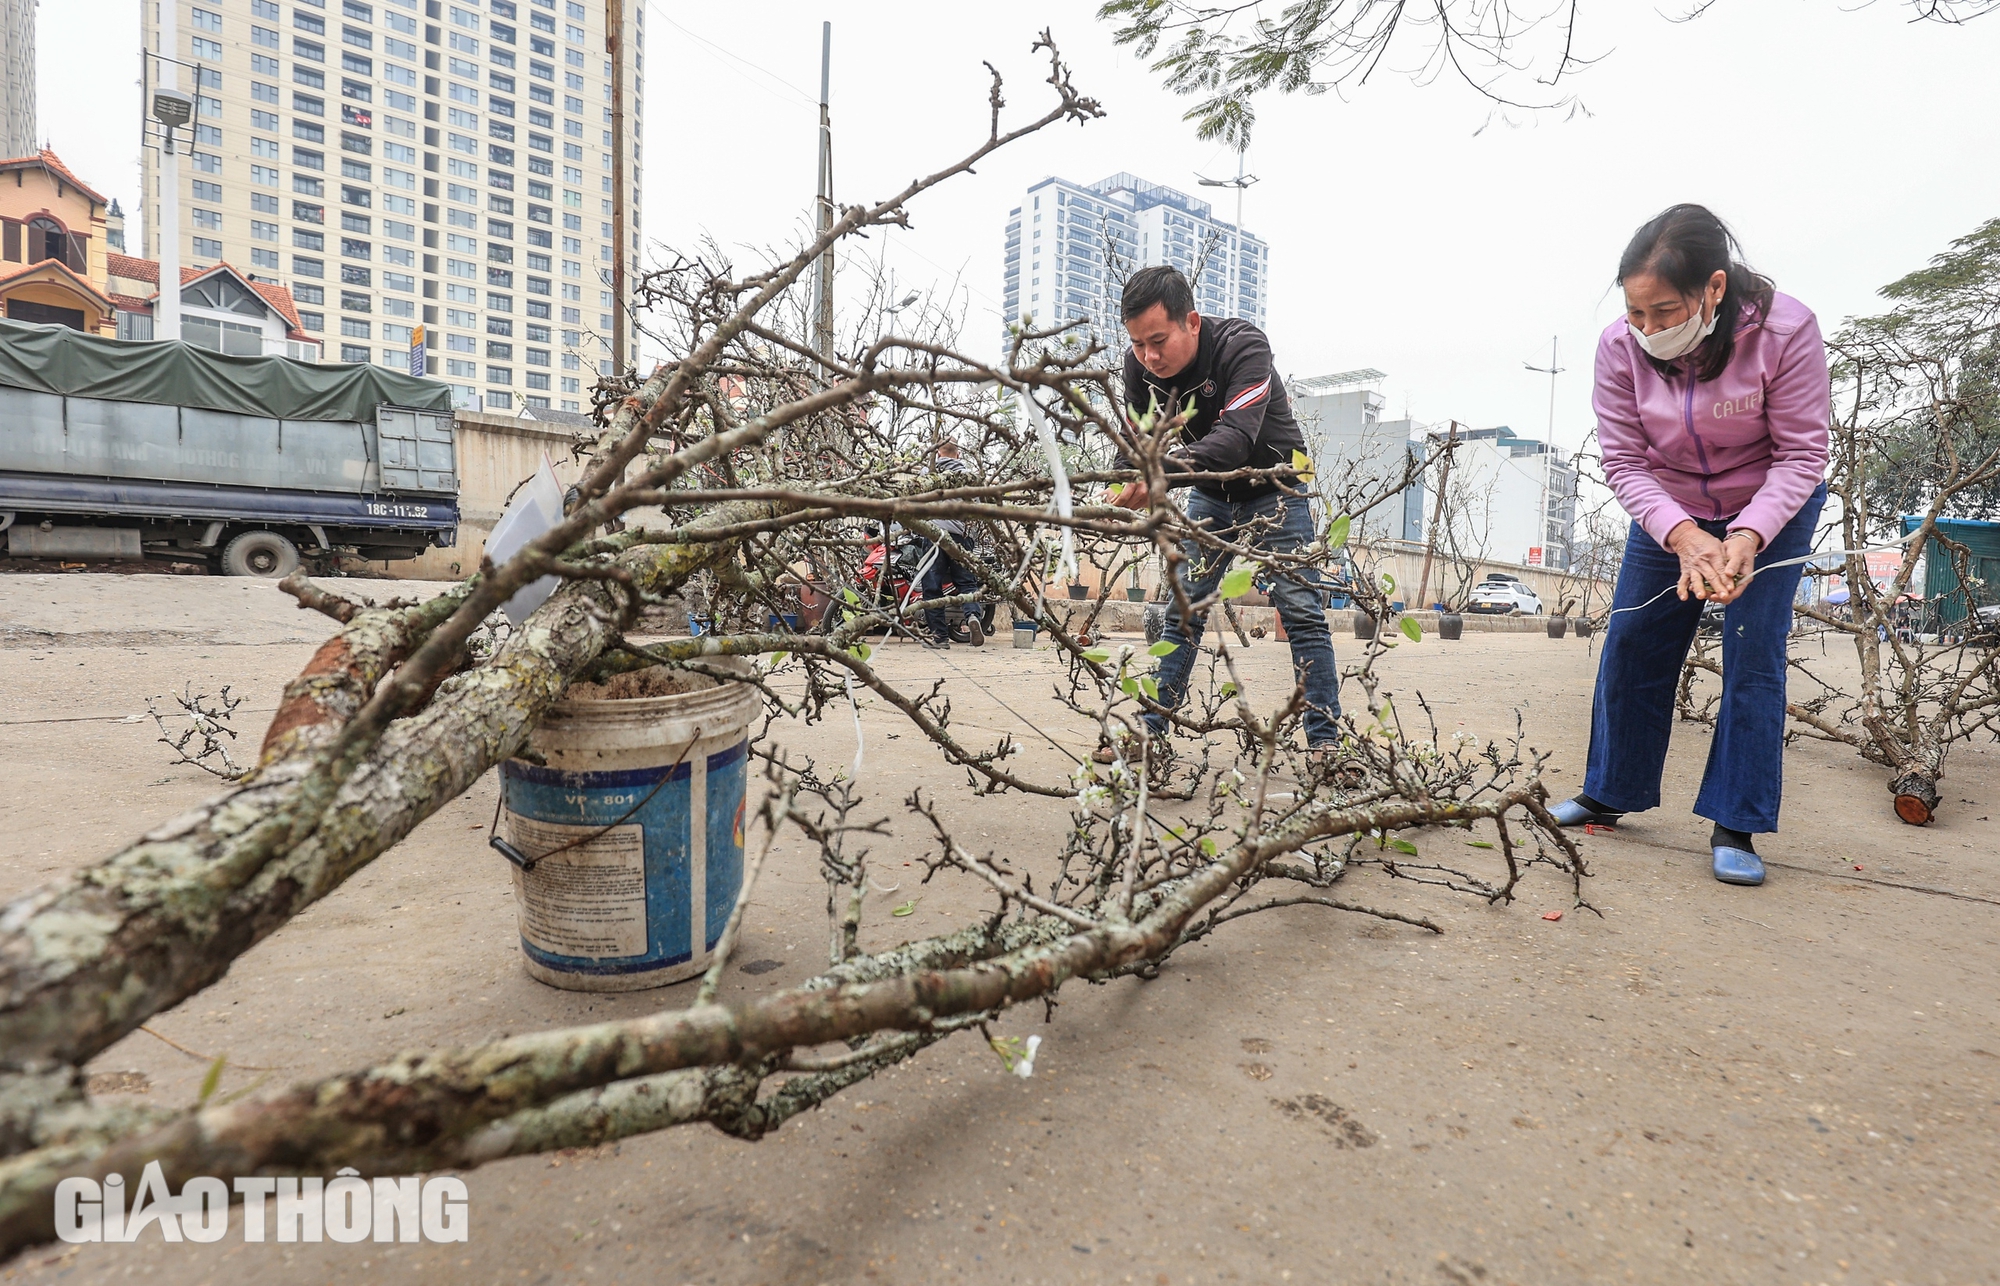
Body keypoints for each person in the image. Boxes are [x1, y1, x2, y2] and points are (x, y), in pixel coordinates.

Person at [1551, 204, 1830, 887]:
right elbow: (1623, 462)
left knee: (1753, 651)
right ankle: (1610, 789)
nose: (1646, 329)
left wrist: (1745, 534)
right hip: (1669, 510)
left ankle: (1736, 820)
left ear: (1712, 289)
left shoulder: (1787, 331)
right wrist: (1680, 534)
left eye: (1664, 311)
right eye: (1635, 312)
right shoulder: (1620, 348)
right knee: (1633, 641)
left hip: (1770, 508)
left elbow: (1801, 454)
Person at [1099, 264, 1341, 762]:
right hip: (1210, 493)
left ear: (1191, 321)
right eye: (1139, 344)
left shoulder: (1242, 347)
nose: (1149, 357)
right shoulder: (1138, 366)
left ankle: (1326, 744)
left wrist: (1159, 473)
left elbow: (1233, 441)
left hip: (1279, 486)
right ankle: (1150, 732)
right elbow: (1137, 441)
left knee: (1301, 611)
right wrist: (1119, 485)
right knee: (1182, 613)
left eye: (1159, 341)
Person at [920, 439, 982, 647]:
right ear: (958, 455)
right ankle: (972, 616)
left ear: (937, 454)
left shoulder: (927, 474)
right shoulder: (969, 477)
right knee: (966, 583)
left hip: (934, 535)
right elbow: (979, 508)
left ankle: (940, 637)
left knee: (932, 587)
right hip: (961, 537)